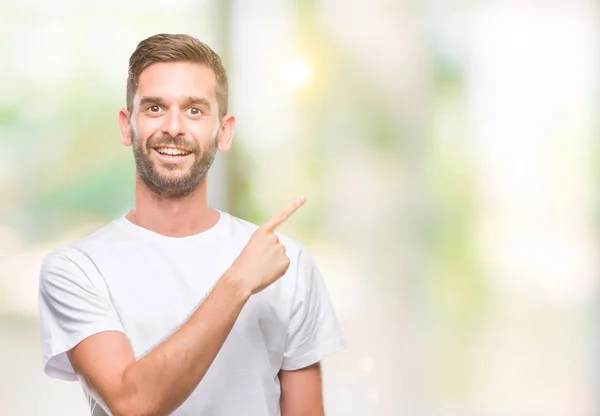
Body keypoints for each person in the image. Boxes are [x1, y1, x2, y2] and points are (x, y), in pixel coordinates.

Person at [38, 33, 345, 416]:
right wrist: (237, 283)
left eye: (195, 110)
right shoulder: (77, 270)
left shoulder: (287, 263)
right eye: (154, 108)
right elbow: (132, 404)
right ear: (126, 126)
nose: (174, 127)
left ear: (225, 131)